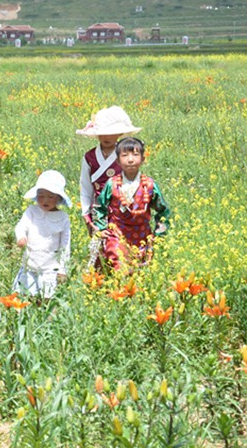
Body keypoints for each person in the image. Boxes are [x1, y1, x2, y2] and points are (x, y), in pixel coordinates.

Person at [92, 137, 171, 271]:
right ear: (117, 160)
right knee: (119, 265)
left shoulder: (149, 185)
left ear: (143, 159)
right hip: (117, 233)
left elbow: (163, 210)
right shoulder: (112, 184)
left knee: (141, 271)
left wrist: (159, 233)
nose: (130, 160)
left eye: (135, 155)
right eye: (125, 155)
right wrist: (101, 227)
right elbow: (99, 207)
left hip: (142, 235)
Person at [77, 106, 141, 234]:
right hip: (98, 211)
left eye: (111, 133)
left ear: (120, 134)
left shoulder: (126, 156)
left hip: (123, 210)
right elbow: (85, 187)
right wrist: (86, 215)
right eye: (102, 133)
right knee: (100, 242)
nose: (106, 137)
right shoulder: (90, 157)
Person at [13, 170, 71, 301]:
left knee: (47, 299)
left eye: (51, 197)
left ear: (59, 198)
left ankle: (46, 312)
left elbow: (65, 245)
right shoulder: (31, 211)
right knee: (24, 296)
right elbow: (21, 226)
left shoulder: (63, 218)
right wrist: (21, 236)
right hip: (29, 264)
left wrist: (63, 269)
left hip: (50, 268)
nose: (45, 200)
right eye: (41, 195)